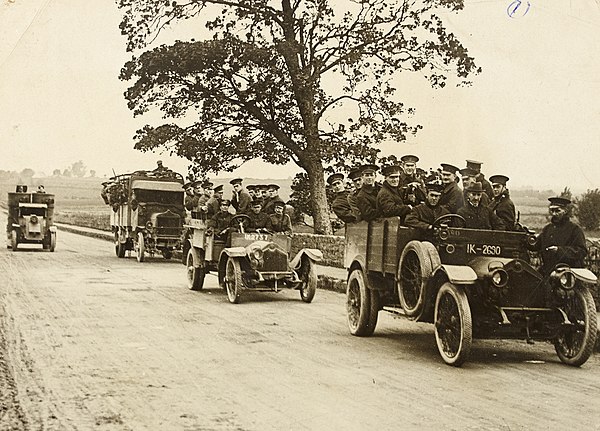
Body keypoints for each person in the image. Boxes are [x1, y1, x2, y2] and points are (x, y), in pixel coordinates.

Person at [535, 196, 587, 276]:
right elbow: (536, 245)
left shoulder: (575, 229)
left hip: (568, 273)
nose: (554, 214)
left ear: (565, 211)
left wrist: (559, 250)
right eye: (552, 210)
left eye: (557, 211)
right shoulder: (547, 229)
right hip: (548, 270)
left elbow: (581, 251)